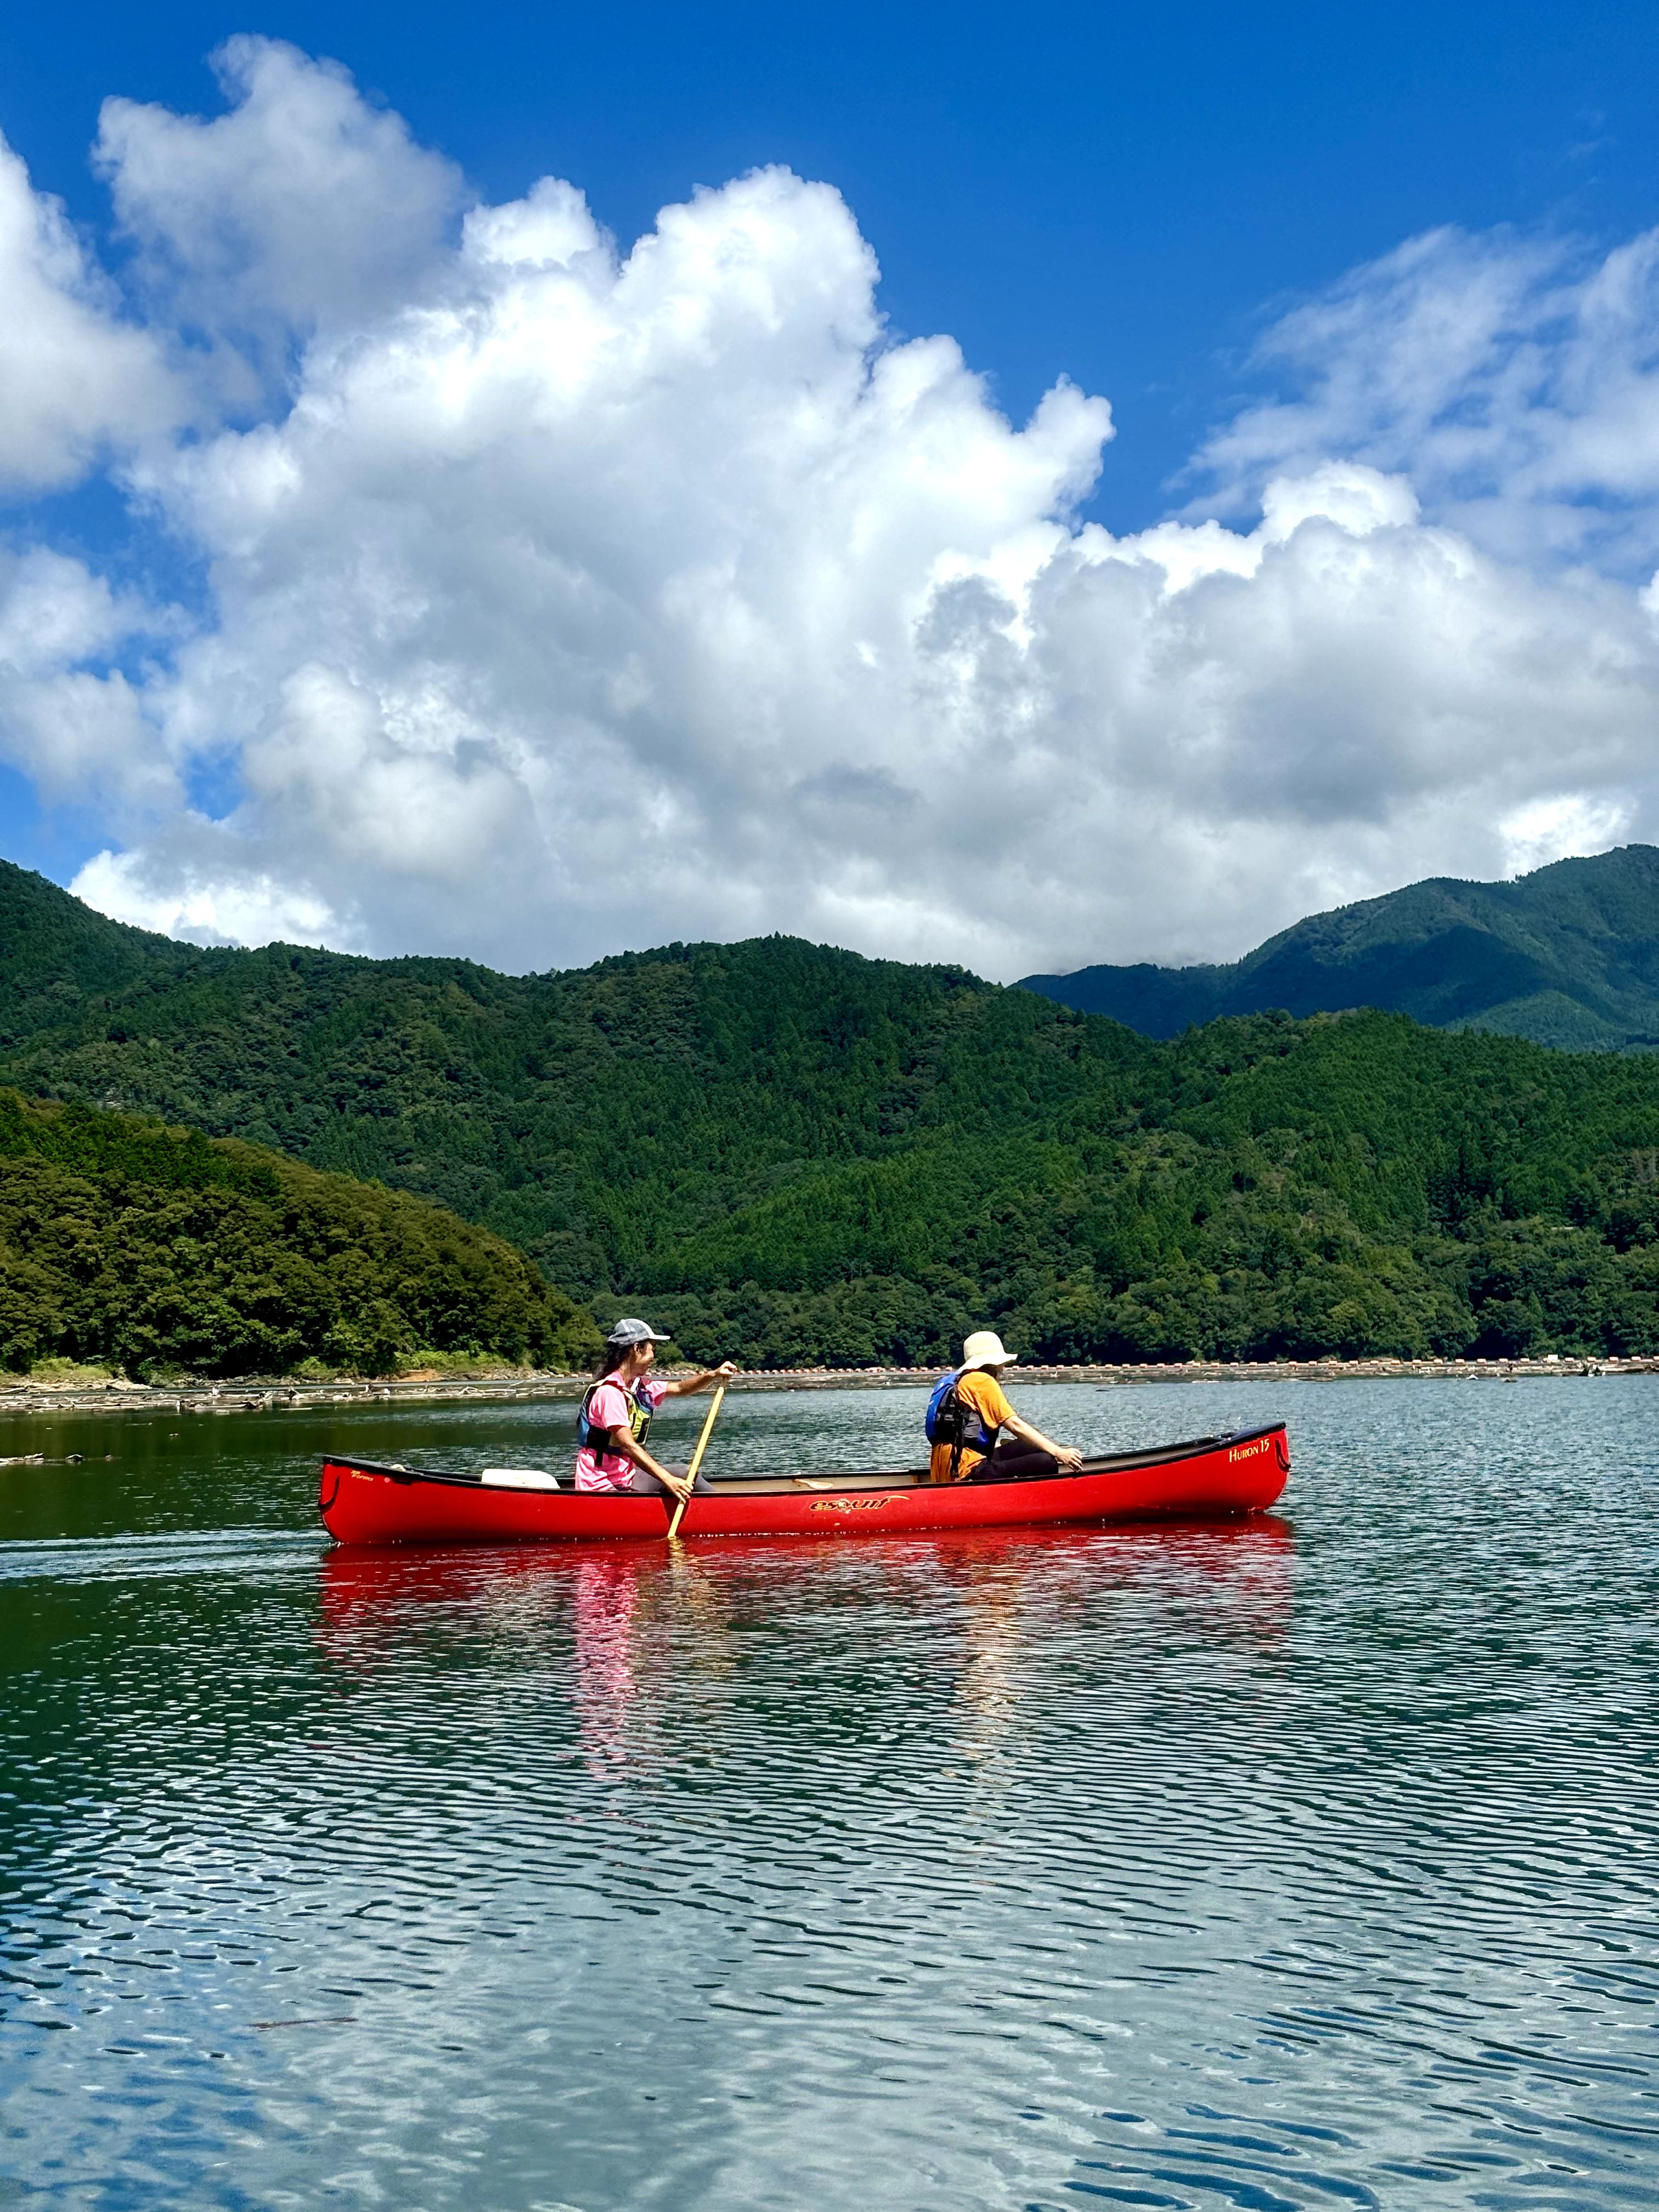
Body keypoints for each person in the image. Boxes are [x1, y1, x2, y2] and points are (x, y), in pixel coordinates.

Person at [574, 1319, 738, 1501]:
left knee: (685, 1472)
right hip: (603, 1486)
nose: (654, 1356)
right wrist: (668, 1480)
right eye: (652, 1348)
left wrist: (714, 1374)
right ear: (637, 1349)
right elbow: (627, 1446)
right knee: (676, 1476)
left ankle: (726, 1507)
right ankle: (730, 1511)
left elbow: (680, 1388)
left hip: (626, 1477)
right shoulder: (610, 1392)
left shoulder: (638, 1388)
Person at [928, 1330, 1085, 1485]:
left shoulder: (950, 1382)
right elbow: (1015, 1425)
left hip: (943, 1471)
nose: (1003, 1367)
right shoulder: (982, 1381)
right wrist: (1060, 1452)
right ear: (992, 1363)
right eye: (1001, 1363)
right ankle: (1029, 1503)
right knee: (1047, 1461)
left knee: (1032, 1447)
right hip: (968, 1470)